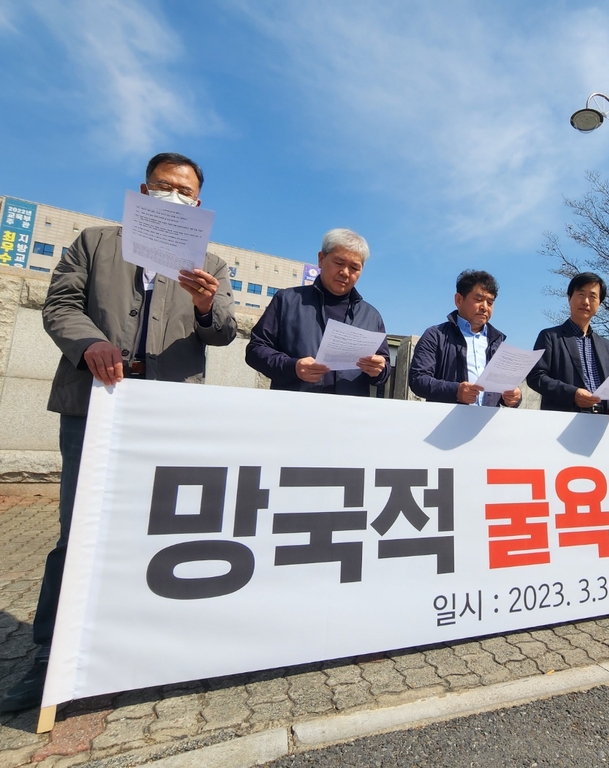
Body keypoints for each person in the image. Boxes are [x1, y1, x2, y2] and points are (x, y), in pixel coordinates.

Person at [0, 152, 237, 714]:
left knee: (158, 535)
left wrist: (207, 305)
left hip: (168, 416)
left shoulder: (212, 264)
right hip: (94, 406)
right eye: (164, 187)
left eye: (185, 192)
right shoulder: (95, 242)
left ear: (198, 204)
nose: (173, 197)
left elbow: (225, 331)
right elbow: (59, 306)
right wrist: (89, 345)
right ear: (142, 190)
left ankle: (141, 649)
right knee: (79, 530)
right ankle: (50, 657)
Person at [245, 229, 390, 394]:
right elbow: (255, 350)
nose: (345, 272)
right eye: (339, 263)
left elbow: (384, 368)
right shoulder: (287, 300)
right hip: (294, 409)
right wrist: (293, 367)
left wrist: (379, 369)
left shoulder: (371, 316)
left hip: (347, 413)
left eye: (354, 267)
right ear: (321, 259)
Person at [408, 269, 521, 407]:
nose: (485, 307)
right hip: (447, 423)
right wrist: (455, 391)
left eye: (490, 302)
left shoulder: (497, 342)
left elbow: (503, 390)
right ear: (459, 300)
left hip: (488, 424)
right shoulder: (436, 335)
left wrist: (514, 396)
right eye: (479, 299)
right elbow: (418, 380)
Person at [527, 272, 609, 417]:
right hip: (563, 420)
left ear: (599, 304)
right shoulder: (550, 337)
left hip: (603, 421)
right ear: (569, 298)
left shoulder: (606, 345)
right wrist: (573, 394)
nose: (586, 301)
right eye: (581, 294)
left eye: (592, 296)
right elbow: (535, 377)